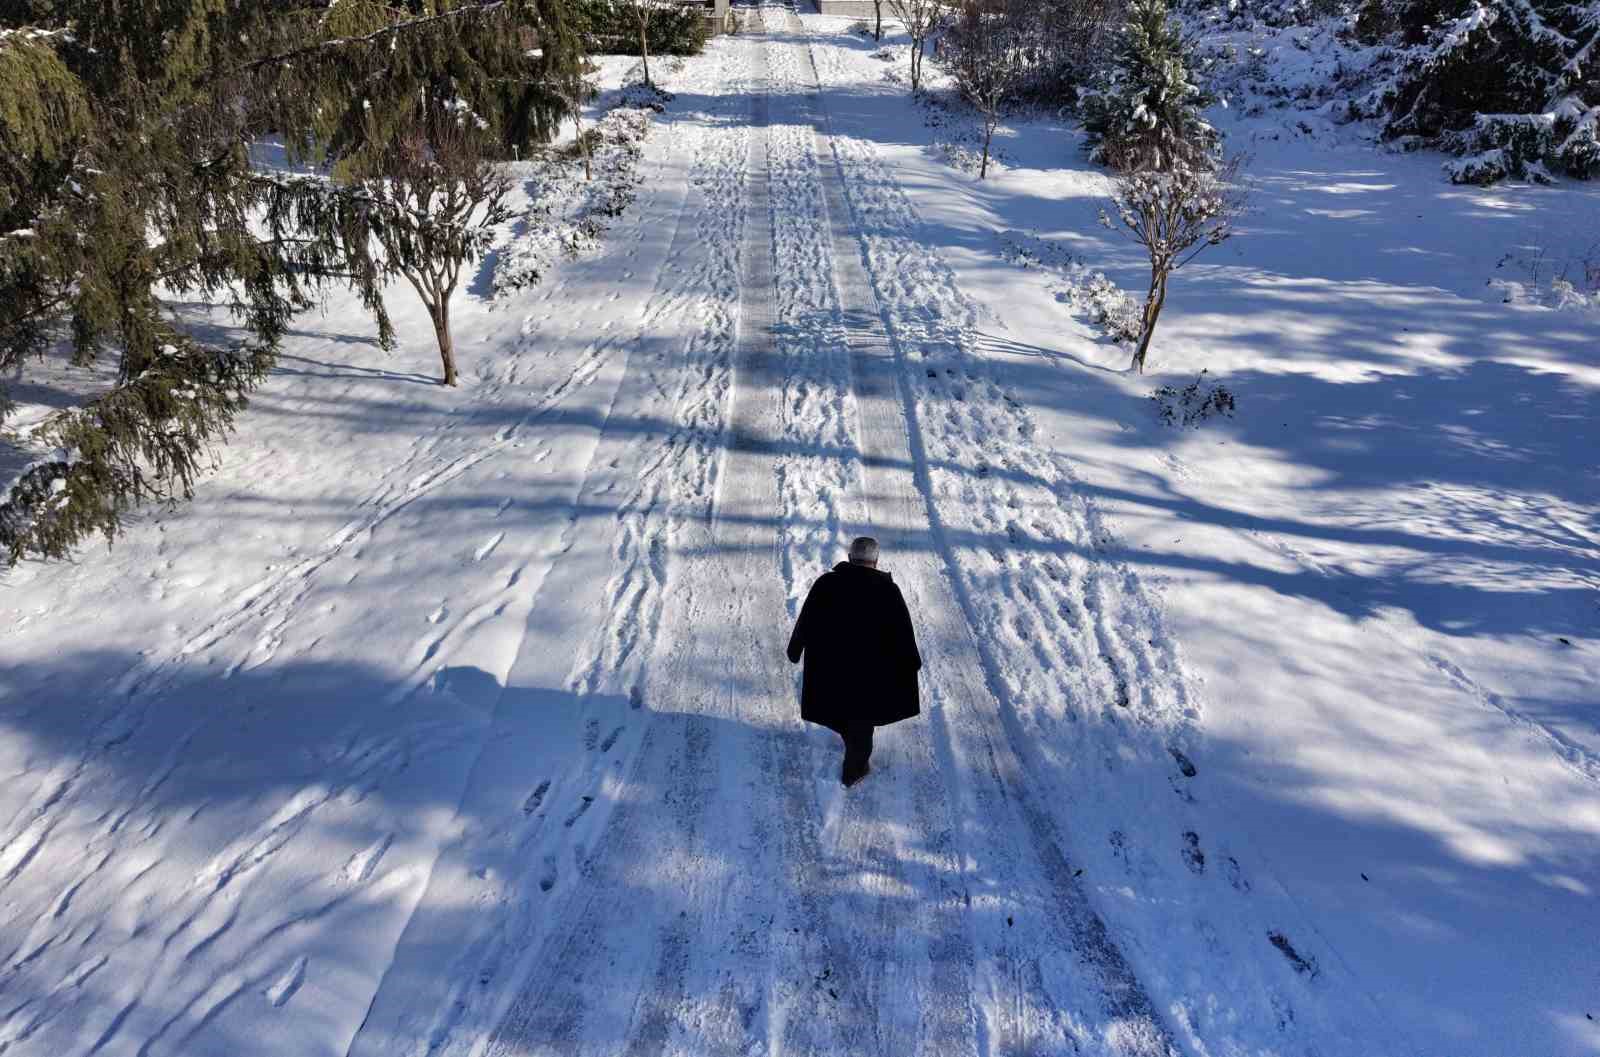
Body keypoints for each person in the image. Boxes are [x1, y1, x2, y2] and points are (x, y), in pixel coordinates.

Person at [785, 536, 923, 787]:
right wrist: (911, 661)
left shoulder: (826, 583)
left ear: (850, 558)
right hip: (870, 674)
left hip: (832, 668)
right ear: (876, 561)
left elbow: (807, 618)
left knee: (841, 712)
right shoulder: (887, 590)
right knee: (861, 722)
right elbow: (903, 631)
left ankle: (852, 749)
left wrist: (795, 649)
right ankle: (854, 771)